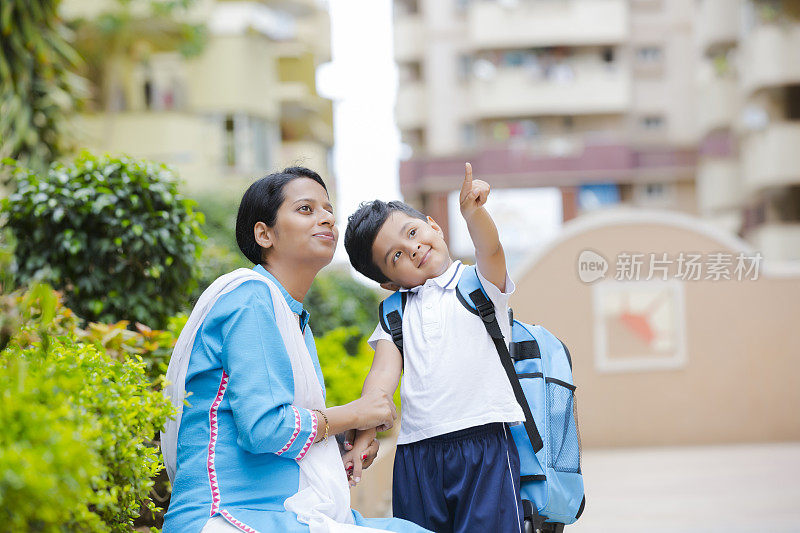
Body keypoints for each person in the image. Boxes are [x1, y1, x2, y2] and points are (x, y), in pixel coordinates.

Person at [161, 167, 430, 533]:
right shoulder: (250, 298)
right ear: (264, 233)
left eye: (328, 209)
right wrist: (355, 413)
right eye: (306, 209)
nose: (327, 218)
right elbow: (263, 429)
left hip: (280, 512)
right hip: (228, 516)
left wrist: (342, 443)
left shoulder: (288, 314)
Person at [343, 163, 525, 533]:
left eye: (412, 232)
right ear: (389, 283)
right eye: (395, 257)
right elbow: (381, 379)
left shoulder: (479, 283)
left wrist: (473, 214)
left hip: (485, 441)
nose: (412, 248)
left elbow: (490, 247)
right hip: (416, 454)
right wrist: (365, 432)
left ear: (434, 226)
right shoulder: (394, 311)